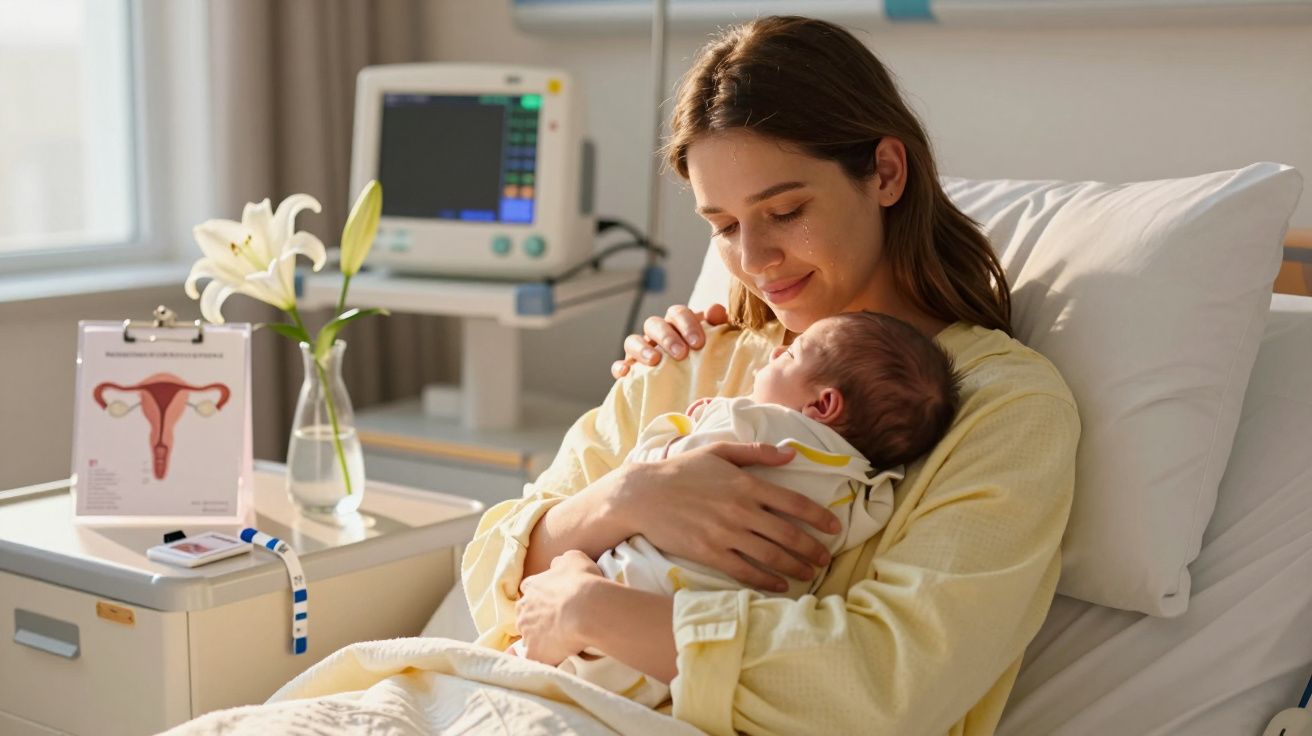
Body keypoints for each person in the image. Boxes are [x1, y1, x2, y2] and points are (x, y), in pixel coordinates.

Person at [462, 14, 1080, 735]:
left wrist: (589, 610)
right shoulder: (687, 359)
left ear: (885, 172)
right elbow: (491, 576)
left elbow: (886, 685)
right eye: (723, 226)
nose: (753, 260)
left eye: (784, 211)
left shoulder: (1004, 407)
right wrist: (627, 498)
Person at [506, 310, 962, 707]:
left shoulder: (753, 421)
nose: (775, 355)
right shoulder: (866, 488)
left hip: (636, 592)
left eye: (791, 354)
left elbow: (656, 463)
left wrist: (695, 423)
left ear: (823, 403)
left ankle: (535, 656)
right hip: (692, 649)